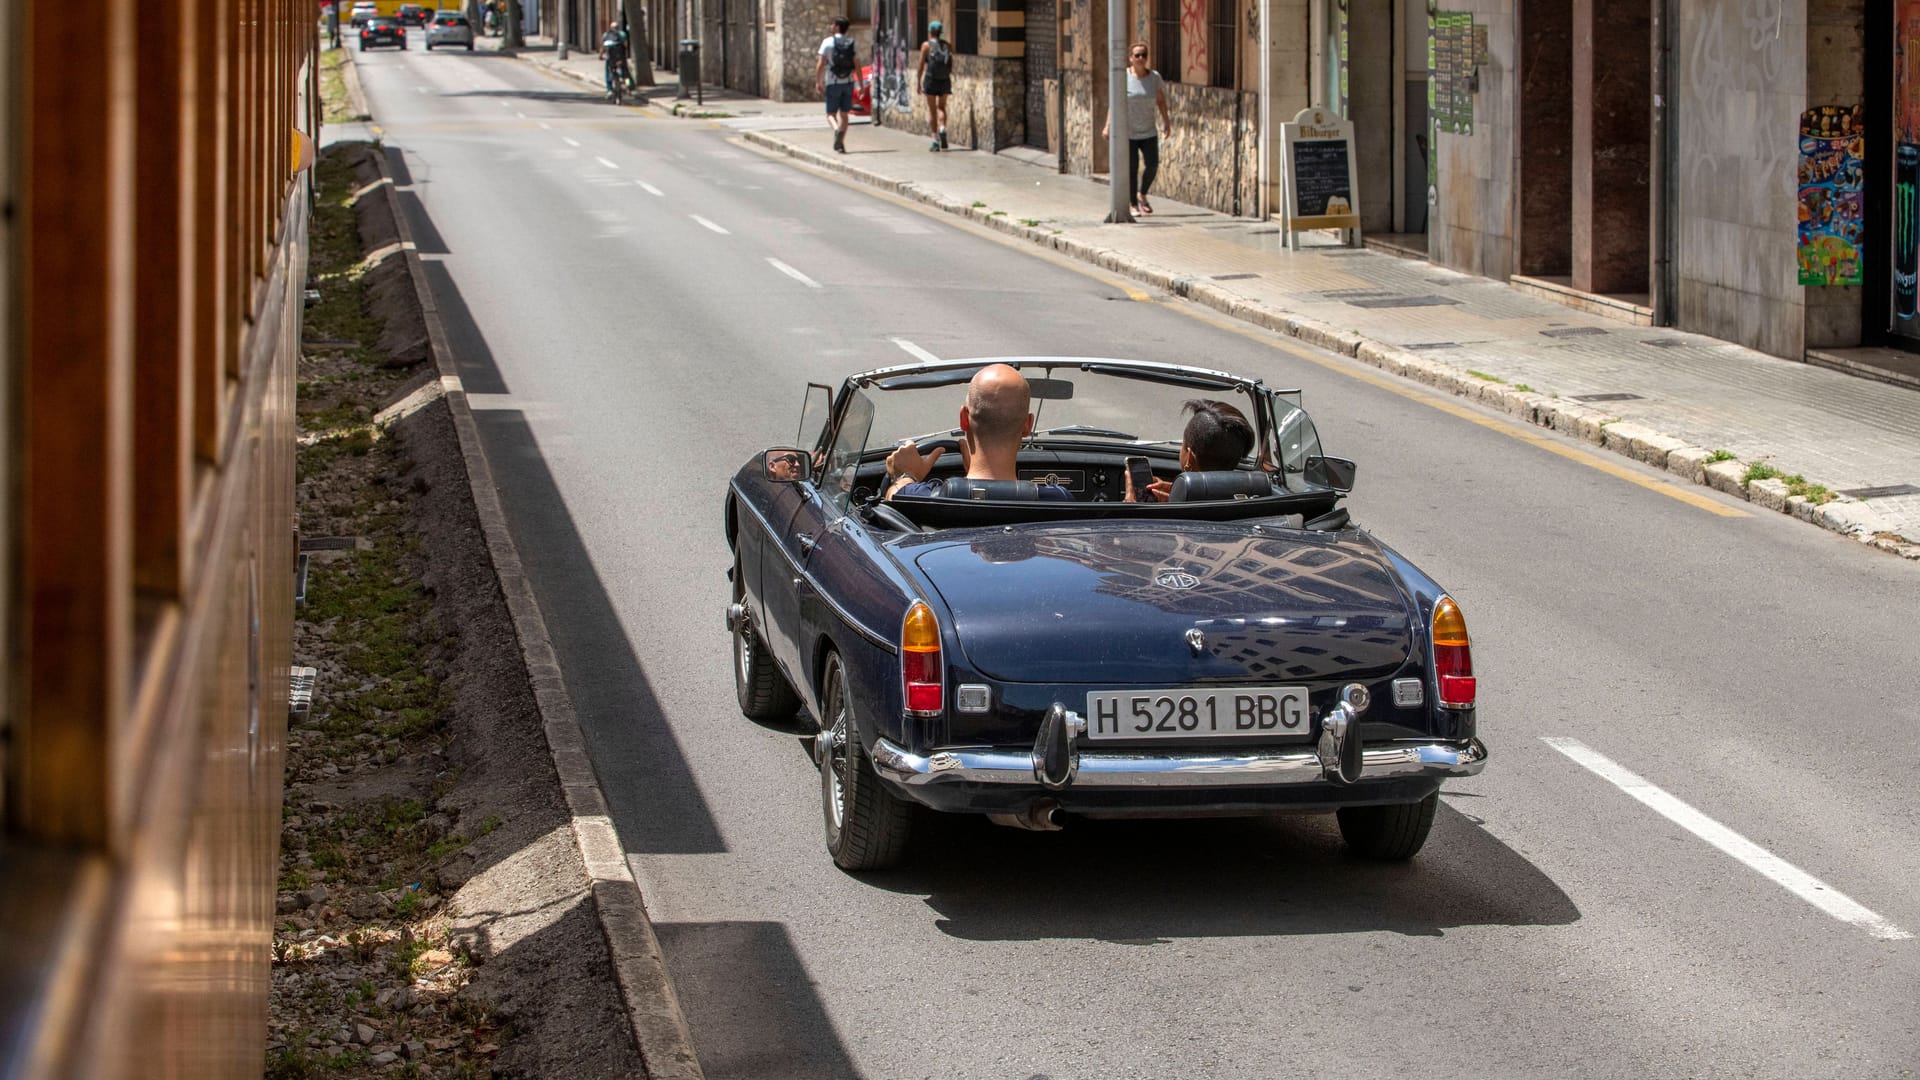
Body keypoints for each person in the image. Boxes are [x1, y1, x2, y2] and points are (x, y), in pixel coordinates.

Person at [884, 364, 1072, 501]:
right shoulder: (1058, 500)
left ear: (963, 418)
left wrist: (905, 476)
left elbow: (894, 494)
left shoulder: (929, 498)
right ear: (1027, 425)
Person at [1125, 399, 1255, 502]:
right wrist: (1179, 494)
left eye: (1183, 444)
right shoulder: (1251, 501)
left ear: (1189, 459)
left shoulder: (1177, 520)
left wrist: (1130, 506)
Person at [1101, 42, 1171, 216]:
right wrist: (1107, 126)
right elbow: (1114, 103)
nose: (1141, 58)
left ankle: (1142, 193)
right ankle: (1133, 204)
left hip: (1148, 130)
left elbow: (1161, 100)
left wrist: (1166, 122)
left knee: (1153, 165)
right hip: (1128, 132)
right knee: (1131, 168)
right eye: (1137, 55)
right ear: (1130, 58)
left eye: (1144, 55)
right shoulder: (1124, 77)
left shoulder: (1154, 78)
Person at [815, 17, 859, 154]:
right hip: (848, 82)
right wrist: (861, 85)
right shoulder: (851, 43)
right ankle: (841, 143)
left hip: (833, 83)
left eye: (833, 24)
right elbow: (857, 65)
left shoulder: (827, 42)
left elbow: (821, 64)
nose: (831, 26)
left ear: (837, 27)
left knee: (830, 114)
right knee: (845, 114)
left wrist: (818, 81)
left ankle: (836, 131)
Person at [917, 20, 952, 152]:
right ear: (941, 32)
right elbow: (950, 63)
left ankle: (935, 140)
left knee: (932, 110)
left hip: (931, 80)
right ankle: (942, 128)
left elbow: (921, 65)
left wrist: (918, 82)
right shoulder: (947, 45)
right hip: (944, 79)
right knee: (942, 107)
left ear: (930, 32)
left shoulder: (926, 46)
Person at [598, 21, 631, 99]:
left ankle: (609, 90)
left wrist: (600, 56)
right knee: (626, 74)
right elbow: (626, 46)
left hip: (610, 58)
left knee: (608, 73)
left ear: (610, 28)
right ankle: (628, 87)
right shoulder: (622, 34)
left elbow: (603, 47)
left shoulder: (606, 35)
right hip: (621, 58)